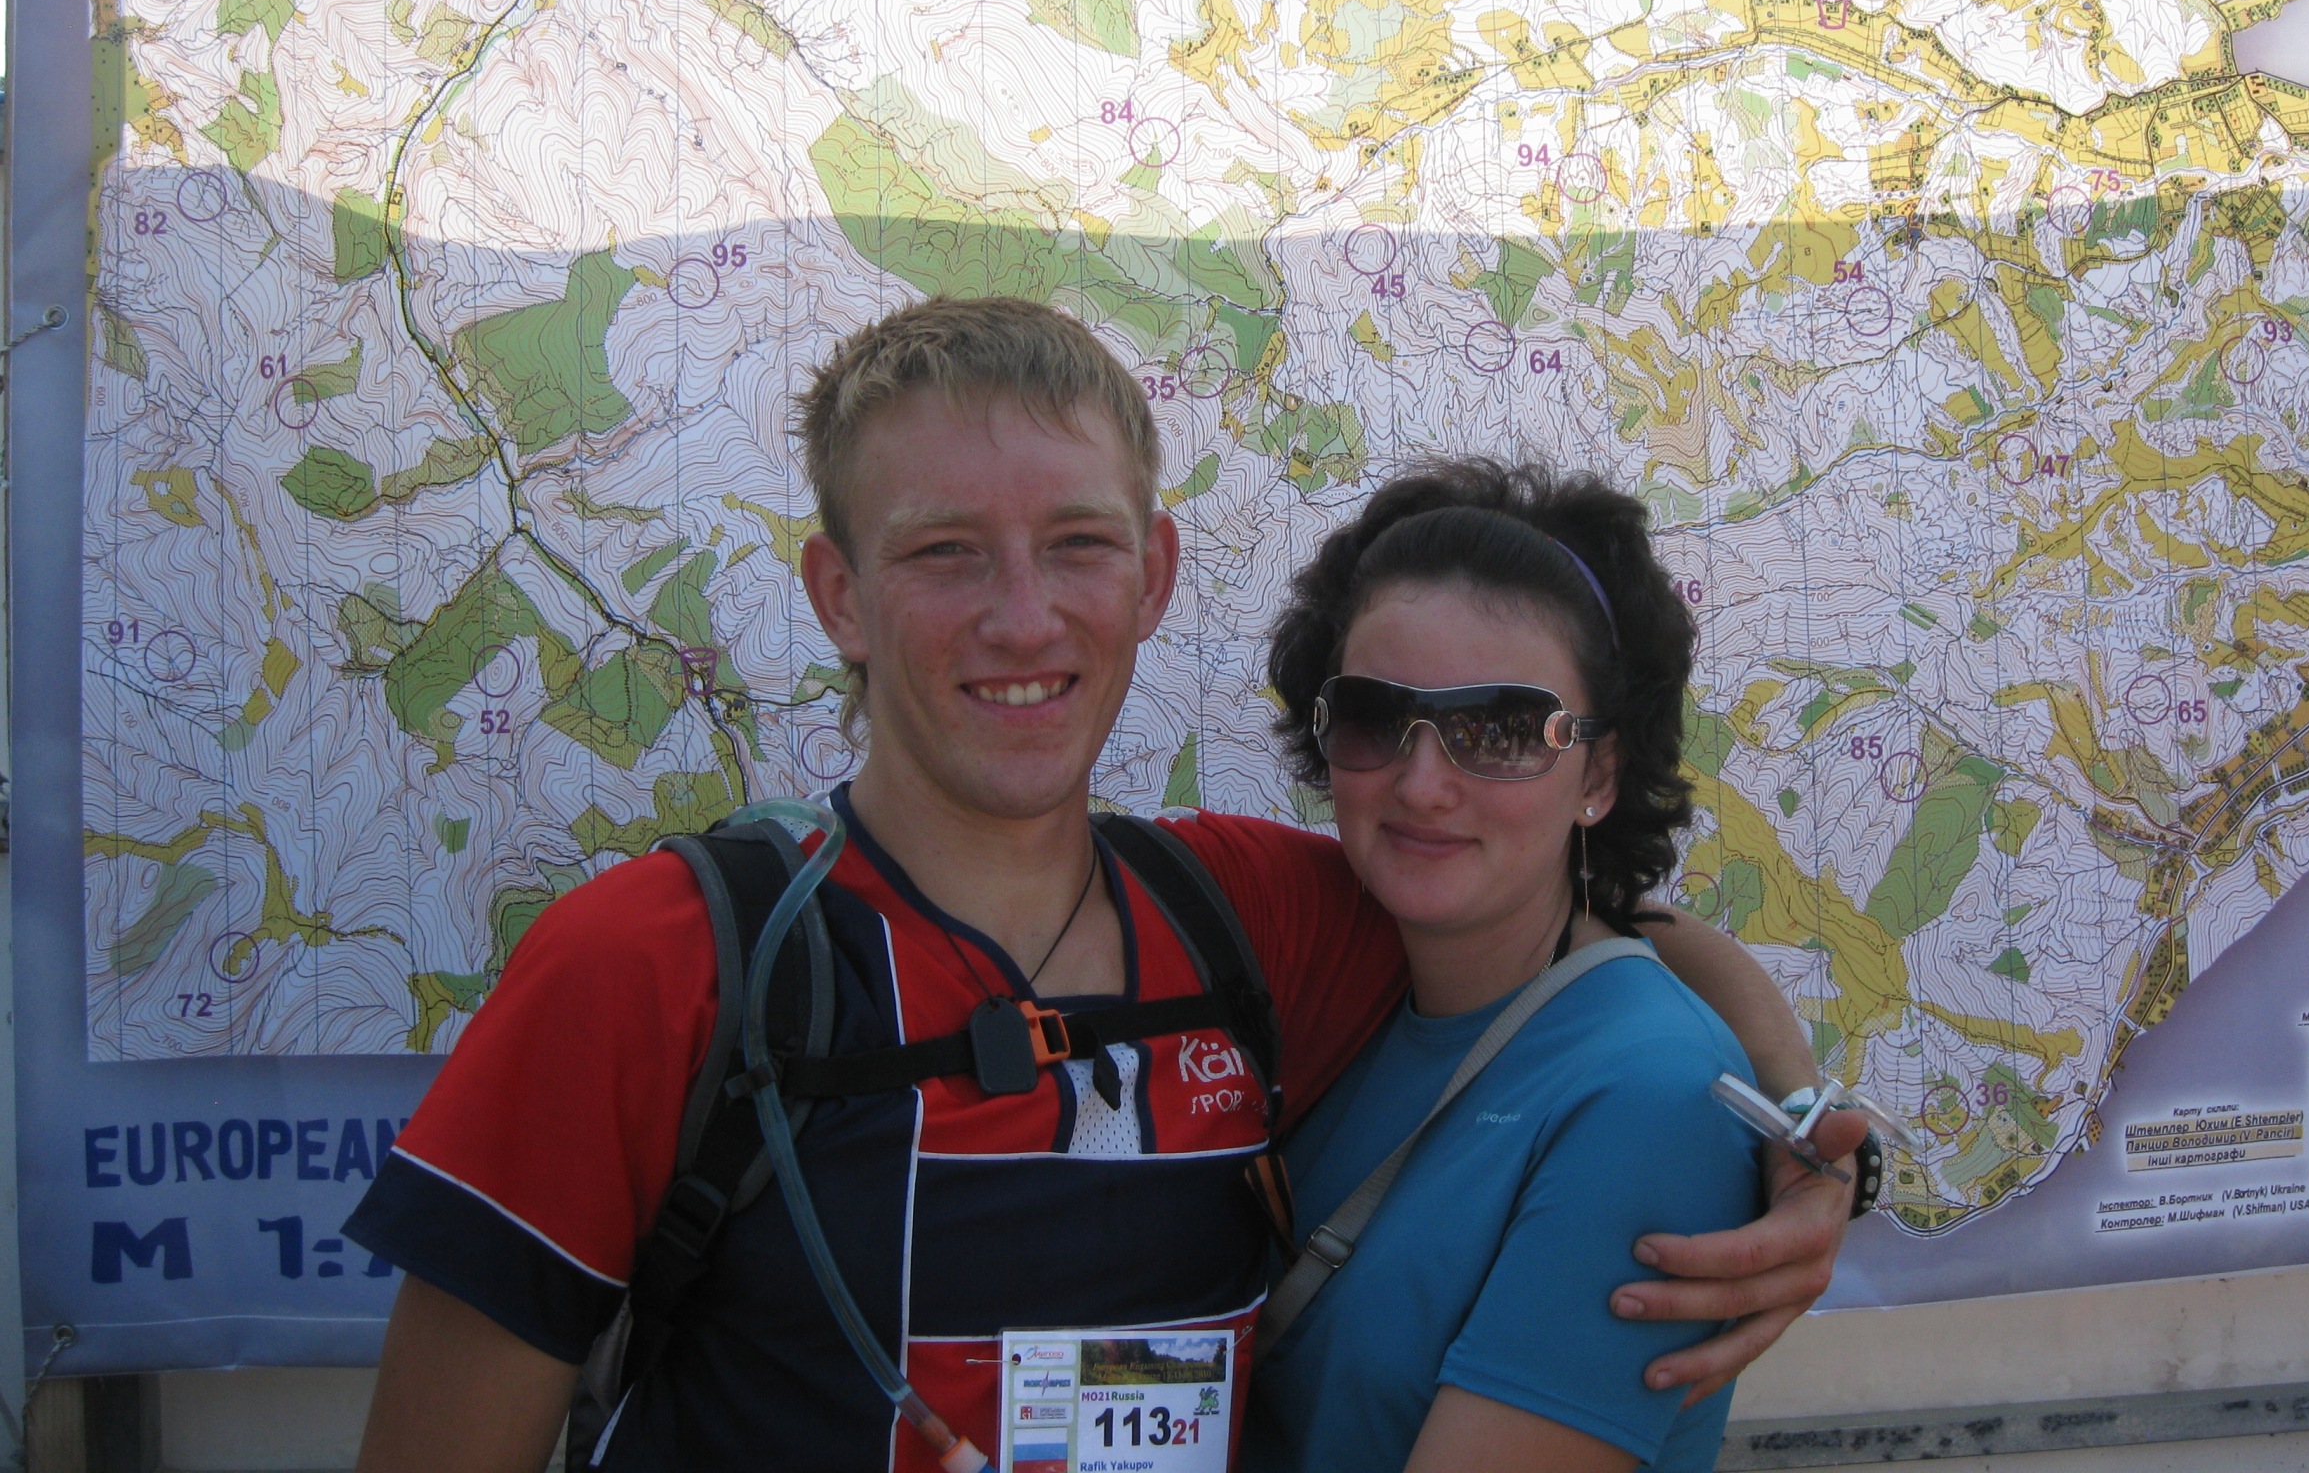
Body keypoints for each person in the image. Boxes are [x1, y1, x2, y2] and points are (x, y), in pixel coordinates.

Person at [346, 297, 1863, 1472]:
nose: (1023, 618)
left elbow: (1574, 939)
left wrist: (1797, 1130)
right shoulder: (655, 961)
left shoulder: (1248, 918)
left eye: (1078, 544)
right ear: (839, 598)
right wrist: (1795, 1121)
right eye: (945, 552)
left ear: (1154, 577)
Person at [1247, 461, 1765, 1473]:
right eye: (1373, 717)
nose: (1422, 784)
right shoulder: (1343, 1000)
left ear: (1599, 773)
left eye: (1499, 730)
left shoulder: (1652, 1101)